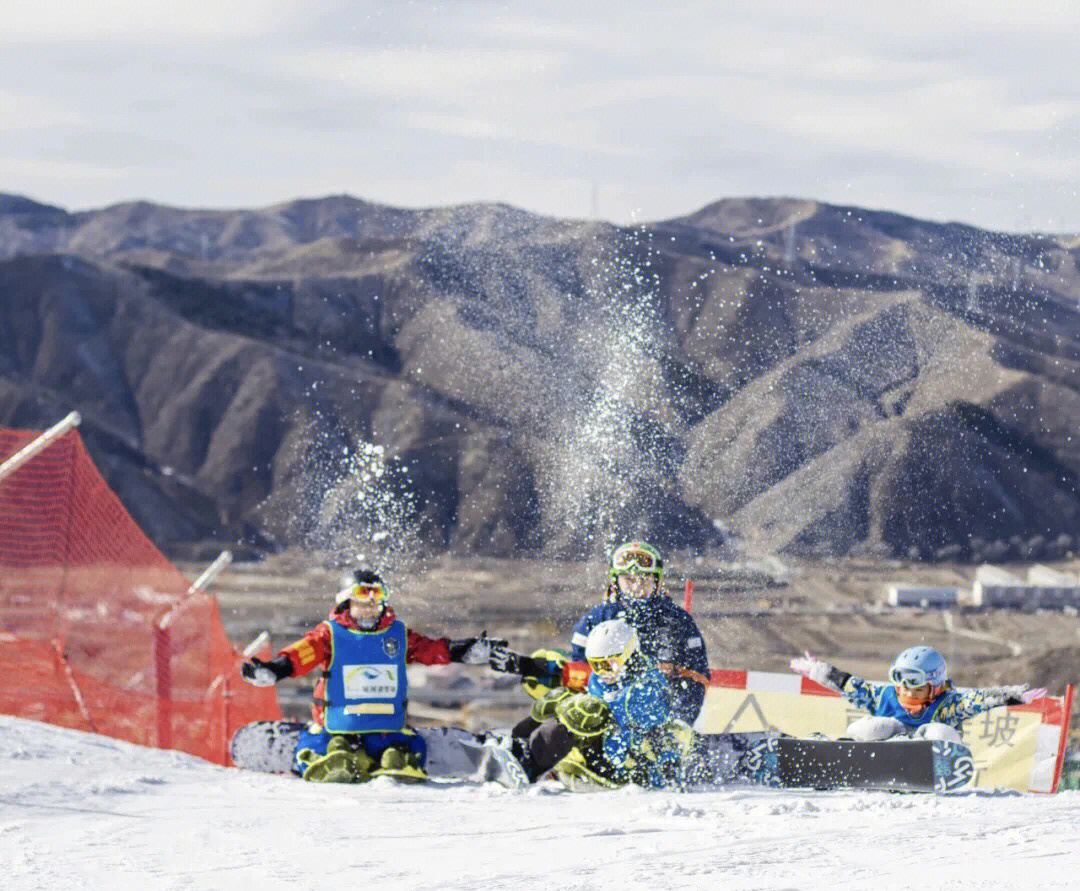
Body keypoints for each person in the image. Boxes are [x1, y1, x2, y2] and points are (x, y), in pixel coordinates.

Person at [240, 568, 499, 783]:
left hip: (386, 728)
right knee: (330, 747)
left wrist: (465, 651)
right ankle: (337, 762)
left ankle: (396, 764)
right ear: (346, 604)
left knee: (398, 750)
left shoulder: (397, 635)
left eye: (374, 604)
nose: (369, 610)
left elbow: (431, 650)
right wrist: (275, 669)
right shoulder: (330, 635)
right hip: (338, 726)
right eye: (361, 604)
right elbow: (303, 654)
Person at [489, 542, 710, 726]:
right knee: (556, 690)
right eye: (629, 579)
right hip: (603, 715)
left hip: (657, 719)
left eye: (645, 579)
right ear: (615, 581)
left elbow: (697, 677)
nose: (636, 587)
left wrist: (679, 724)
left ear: (658, 582)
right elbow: (579, 672)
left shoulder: (678, 621)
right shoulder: (598, 619)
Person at [498, 618, 691, 788]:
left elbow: (659, 733)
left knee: (581, 712)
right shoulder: (600, 679)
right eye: (595, 665)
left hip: (627, 769)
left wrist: (669, 769)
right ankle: (514, 746)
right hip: (601, 752)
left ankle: (528, 768)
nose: (602, 672)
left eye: (609, 665)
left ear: (630, 656)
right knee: (561, 700)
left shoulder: (647, 688)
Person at [789, 645, 1046, 743]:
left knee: (940, 732)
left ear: (934, 688)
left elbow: (978, 700)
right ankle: (846, 750)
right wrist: (816, 669)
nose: (907, 694)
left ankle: (937, 760)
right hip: (883, 749)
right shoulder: (884, 696)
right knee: (878, 726)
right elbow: (850, 685)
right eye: (902, 687)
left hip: (927, 755)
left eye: (916, 688)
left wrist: (1012, 695)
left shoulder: (948, 705)